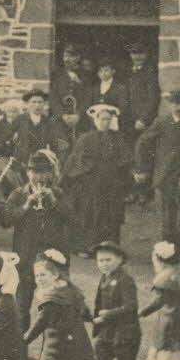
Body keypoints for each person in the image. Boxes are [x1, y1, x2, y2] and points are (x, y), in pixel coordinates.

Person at [2, 151, 72, 333]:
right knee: (22, 307)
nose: (39, 177)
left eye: (43, 173)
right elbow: (6, 219)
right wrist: (26, 205)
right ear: (28, 173)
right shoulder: (18, 194)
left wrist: (54, 201)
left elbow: (72, 217)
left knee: (55, 304)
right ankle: (19, 349)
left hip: (52, 257)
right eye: (35, 172)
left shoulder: (58, 193)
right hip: (25, 258)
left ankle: (53, 349)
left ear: (49, 174)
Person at [88, 242, 156, 360]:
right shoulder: (104, 278)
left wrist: (107, 314)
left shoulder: (125, 280)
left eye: (108, 260)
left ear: (120, 259)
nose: (104, 264)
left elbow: (131, 307)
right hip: (106, 333)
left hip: (125, 333)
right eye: (100, 260)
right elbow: (99, 305)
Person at [134, 89, 180, 245]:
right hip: (167, 176)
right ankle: (167, 250)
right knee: (168, 215)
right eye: (176, 104)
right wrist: (142, 168)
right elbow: (142, 143)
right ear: (171, 105)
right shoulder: (162, 122)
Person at [64, 104, 132, 257]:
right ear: (96, 121)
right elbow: (76, 161)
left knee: (111, 215)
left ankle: (110, 247)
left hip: (112, 184)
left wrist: (117, 172)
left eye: (108, 119)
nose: (105, 123)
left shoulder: (118, 138)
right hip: (91, 184)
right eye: (102, 119)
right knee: (91, 214)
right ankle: (88, 247)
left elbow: (125, 159)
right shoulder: (86, 138)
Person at [7, 89, 71, 167]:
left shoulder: (49, 122)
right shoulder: (20, 120)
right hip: (22, 161)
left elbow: (54, 143)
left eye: (40, 102)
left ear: (44, 104)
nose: (37, 105)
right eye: (34, 102)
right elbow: (7, 138)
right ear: (27, 104)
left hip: (40, 161)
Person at [50, 47, 95, 136]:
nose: (66, 59)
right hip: (61, 118)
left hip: (81, 118)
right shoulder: (57, 74)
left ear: (78, 58)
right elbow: (53, 97)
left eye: (70, 56)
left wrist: (78, 115)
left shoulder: (87, 75)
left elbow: (89, 97)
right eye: (65, 56)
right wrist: (62, 115)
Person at [125, 45, 160, 141]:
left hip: (143, 120)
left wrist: (143, 119)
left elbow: (153, 98)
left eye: (140, 54)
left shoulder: (150, 72)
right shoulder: (128, 71)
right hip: (130, 118)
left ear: (146, 55)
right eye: (134, 54)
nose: (137, 57)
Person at [93, 61, 131, 130]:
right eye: (100, 71)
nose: (103, 74)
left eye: (106, 70)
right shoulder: (95, 88)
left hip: (114, 121)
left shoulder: (120, 87)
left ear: (113, 71)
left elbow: (123, 106)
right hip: (97, 121)